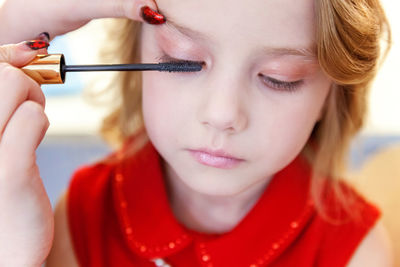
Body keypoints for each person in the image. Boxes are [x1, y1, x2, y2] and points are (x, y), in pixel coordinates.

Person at [0, 0, 394, 266]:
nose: (222, 114)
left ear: (333, 92)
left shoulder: (356, 249)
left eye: (279, 79)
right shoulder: (83, 218)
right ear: (135, 51)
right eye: (182, 61)